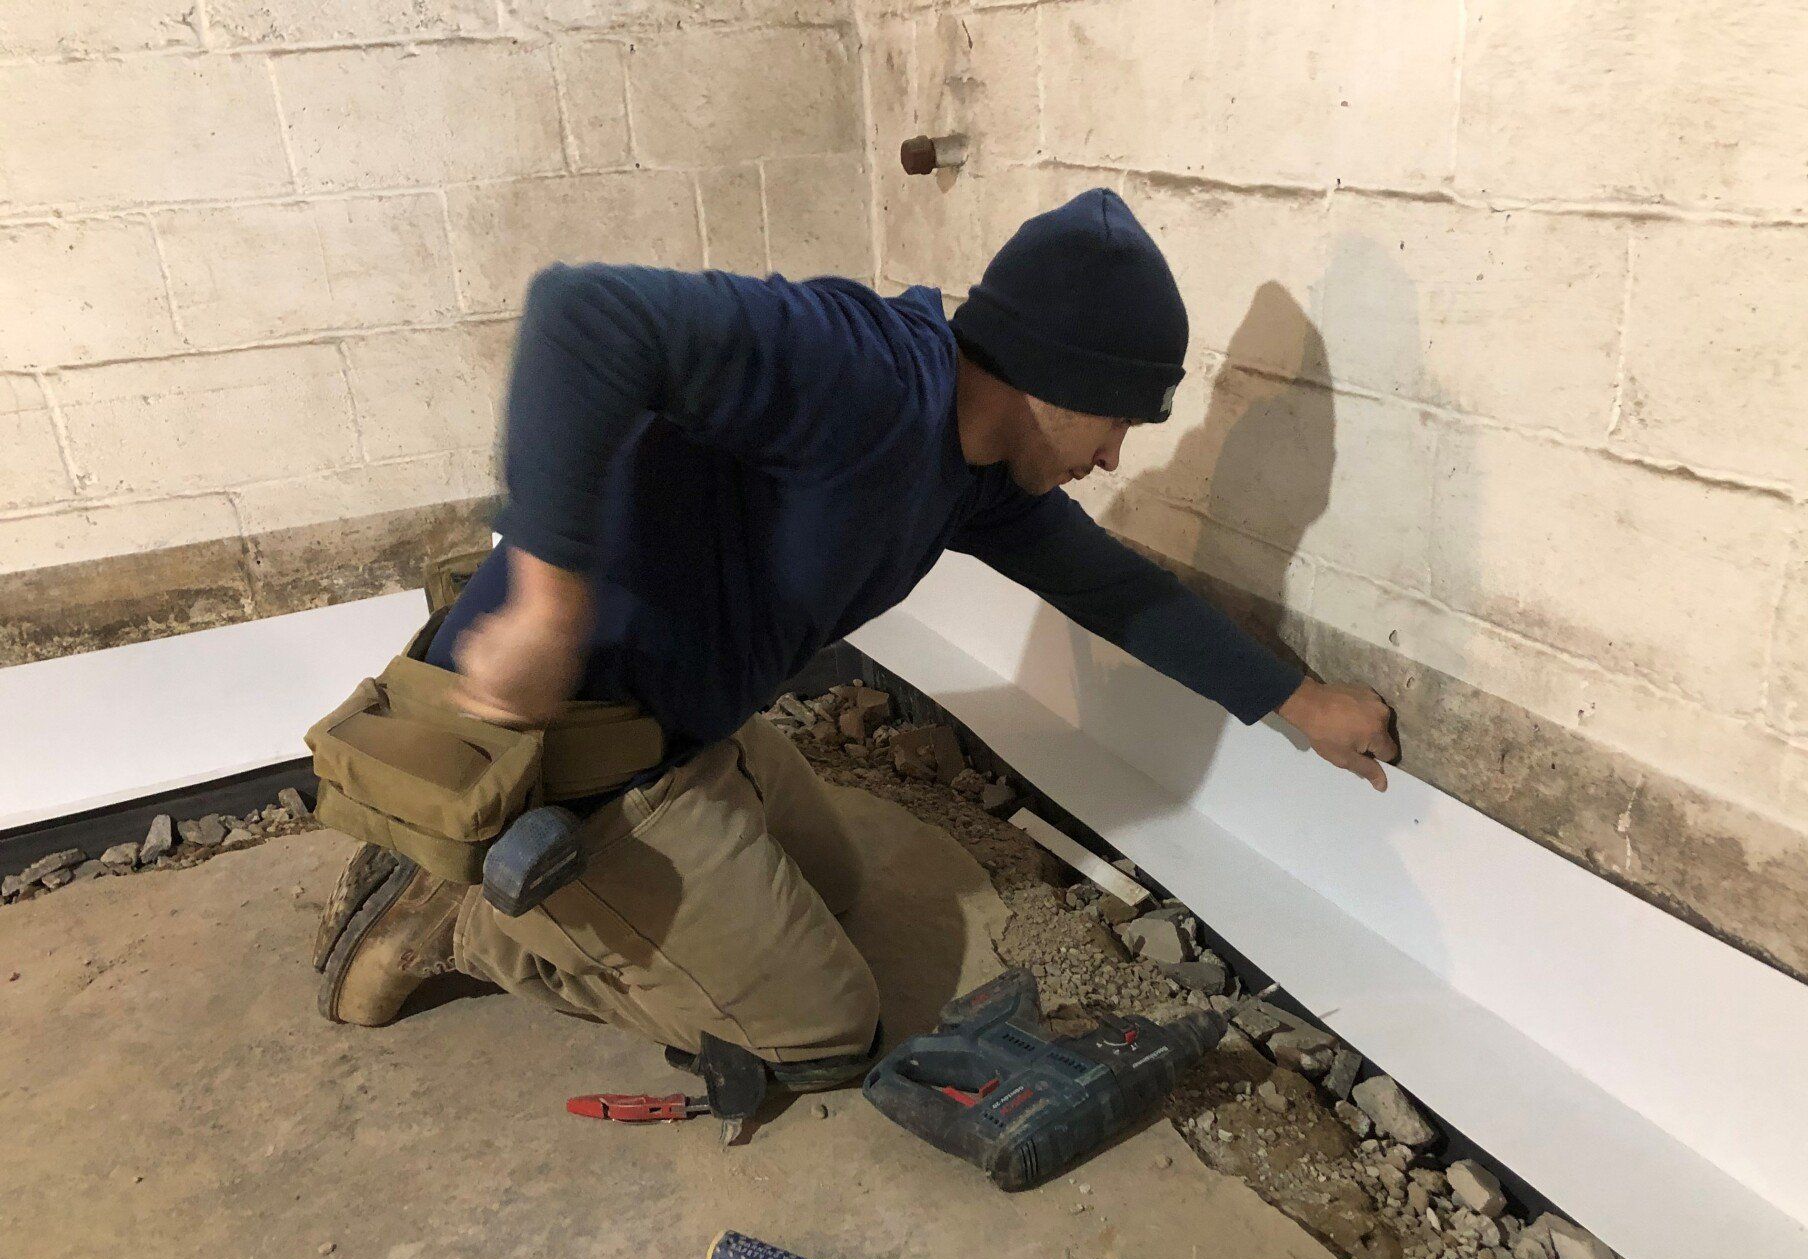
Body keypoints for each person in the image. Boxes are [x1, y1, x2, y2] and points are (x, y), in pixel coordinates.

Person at [311, 188, 1395, 1092]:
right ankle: (459, 913)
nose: (1113, 458)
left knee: (837, 885)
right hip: (564, 738)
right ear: (1056, 379)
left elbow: (1119, 592)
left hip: (682, 727)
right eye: (1118, 421)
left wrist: (1300, 704)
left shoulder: (980, 477)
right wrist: (547, 603)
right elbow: (585, 315)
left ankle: (637, 869)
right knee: (823, 1032)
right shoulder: (859, 373)